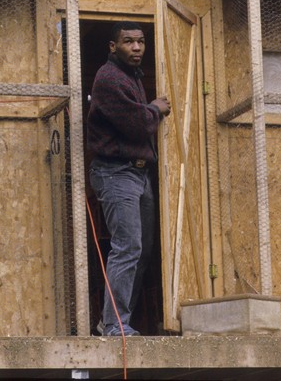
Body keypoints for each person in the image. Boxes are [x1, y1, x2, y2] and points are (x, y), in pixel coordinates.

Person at [87, 21, 171, 337]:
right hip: (115, 172)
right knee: (128, 247)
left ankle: (113, 319)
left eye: (141, 42)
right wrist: (155, 109)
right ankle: (115, 325)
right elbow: (136, 124)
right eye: (128, 42)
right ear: (113, 47)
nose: (136, 48)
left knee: (141, 250)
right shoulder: (108, 78)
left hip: (138, 173)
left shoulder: (131, 76)